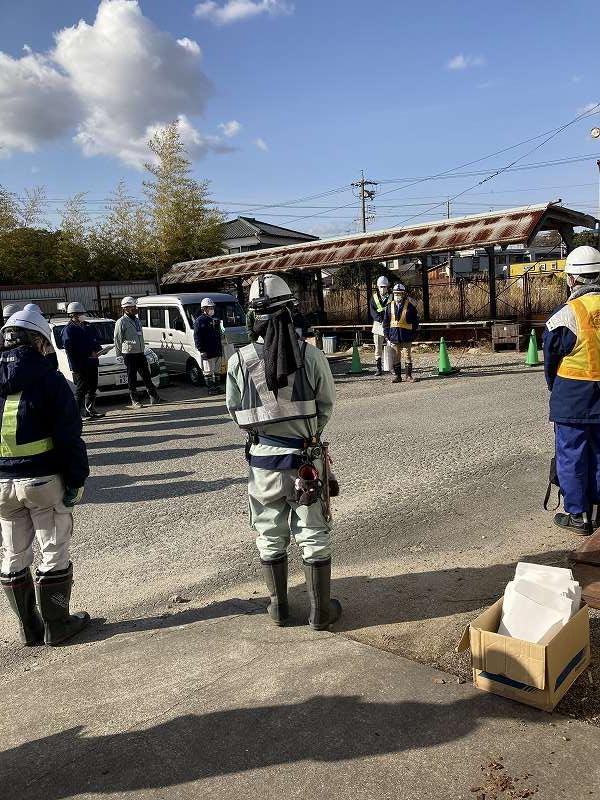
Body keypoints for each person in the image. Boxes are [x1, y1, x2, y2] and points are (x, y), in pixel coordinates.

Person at [226, 274, 341, 630]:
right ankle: (320, 612)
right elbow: (326, 406)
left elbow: (235, 412)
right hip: (305, 460)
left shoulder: (238, 362)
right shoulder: (311, 355)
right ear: (290, 311)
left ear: (252, 316)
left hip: (262, 461)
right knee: (312, 531)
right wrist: (308, 434)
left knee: (269, 532)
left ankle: (278, 608)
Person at [0, 304, 90, 646]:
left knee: (12, 554)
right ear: (39, 341)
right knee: (53, 550)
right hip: (43, 483)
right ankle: (58, 625)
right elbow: (68, 437)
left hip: (2, 487)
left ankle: (29, 629)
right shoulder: (52, 380)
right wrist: (77, 479)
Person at [543, 245, 600, 534]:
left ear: (572, 279)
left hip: (573, 399)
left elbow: (550, 359)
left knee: (572, 456)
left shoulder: (565, 315)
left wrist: (557, 389)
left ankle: (578, 515)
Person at [114, 297, 160, 409]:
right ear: (126, 308)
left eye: (135, 306)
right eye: (133, 307)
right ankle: (134, 400)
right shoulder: (121, 322)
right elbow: (117, 339)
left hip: (140, 352)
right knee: (132, 377)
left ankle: (154, 397)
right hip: (129, 354)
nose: (135, 309)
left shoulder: (137, 320)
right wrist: (119, 354)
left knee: (146, 375)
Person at [62, 302, 104, 420]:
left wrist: (99, 350)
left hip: (92, 363)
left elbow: (94, 341)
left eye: (81, 313)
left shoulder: (87, 326)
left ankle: (90, 409)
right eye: (78, 314)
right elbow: (70, 350)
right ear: (72, 315)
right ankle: (79, 413)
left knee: (92, 387)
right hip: (80, 365)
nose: (81, 315)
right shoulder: (68, 330)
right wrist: (73, 367)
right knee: (81, 389)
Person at [382, 282, 420, 384]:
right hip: (394, 336)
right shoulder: (389, 306)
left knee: (407, 355)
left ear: (403, 294)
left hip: (406, 336)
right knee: (396, 357)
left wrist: (414, 334)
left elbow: (415, 322)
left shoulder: (410, 307)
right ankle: (398, 376)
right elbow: (385, 323)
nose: (397, 295)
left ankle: (408, 376)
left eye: (399, 293)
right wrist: (387, 337)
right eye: (396, 293)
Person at [193, 298, 223, 395]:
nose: (211, 309)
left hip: (217, 349)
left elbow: (219, 334)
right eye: (209, 308)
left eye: (212, 307)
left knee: (218, 370)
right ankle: (211, 389)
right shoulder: (200, 321)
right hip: (207, 350)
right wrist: (201, 350)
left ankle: (217, 387)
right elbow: (197, 337)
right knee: (208, 371)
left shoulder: (215, 319)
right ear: (204, 309)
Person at [369, 275, 393, 376]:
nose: (383, 289)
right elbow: (372, 312)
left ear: (387, 287)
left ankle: (392, 368)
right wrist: (380, 320)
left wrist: (387, 321)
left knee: (391, 347)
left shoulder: (391, 297)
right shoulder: (373, 298)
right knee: (377, 348)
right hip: (378, 326)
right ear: (378, 287)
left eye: (384, 287)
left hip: (389, 325)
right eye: (381, 287)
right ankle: (379, 369)